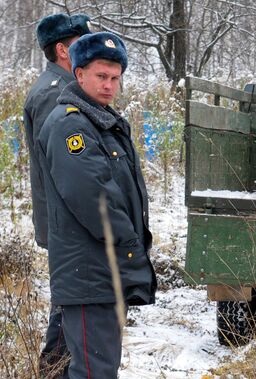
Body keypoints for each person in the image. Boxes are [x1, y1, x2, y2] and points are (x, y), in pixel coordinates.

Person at [36, 32, 157, 378]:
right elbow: (95, 199)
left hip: (100, 267)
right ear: (79, 74)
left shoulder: (100, 121)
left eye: (115, 78)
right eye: (101, 76)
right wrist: (132, 248)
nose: (109, 85)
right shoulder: (71, 124)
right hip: (89, 270)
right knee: (95, 371)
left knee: (84, 366)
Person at [22, 13, 91, 377]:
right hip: (67, 222)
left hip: (69, 220)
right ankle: (54, 372)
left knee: (73, 306)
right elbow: (65, 169)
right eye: (81, 41)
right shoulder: (54, 94)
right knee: (69, 307)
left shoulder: (64, 88)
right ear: (63, 49)